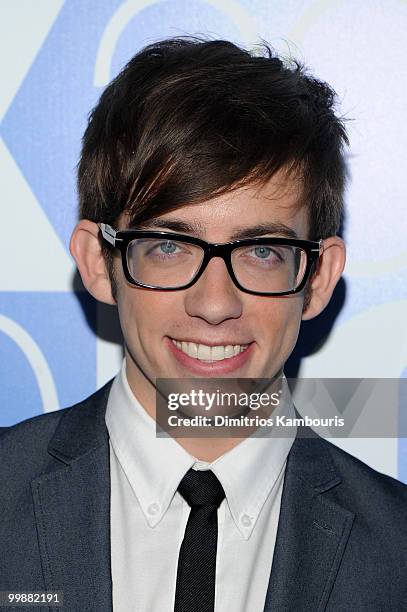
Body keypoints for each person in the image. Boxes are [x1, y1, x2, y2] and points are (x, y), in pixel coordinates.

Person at [0, 37, 406, 612]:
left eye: (262, 251)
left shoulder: (397, 552)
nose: (215, 304)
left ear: (318, 278)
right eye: (169, 245)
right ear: (99, 262)